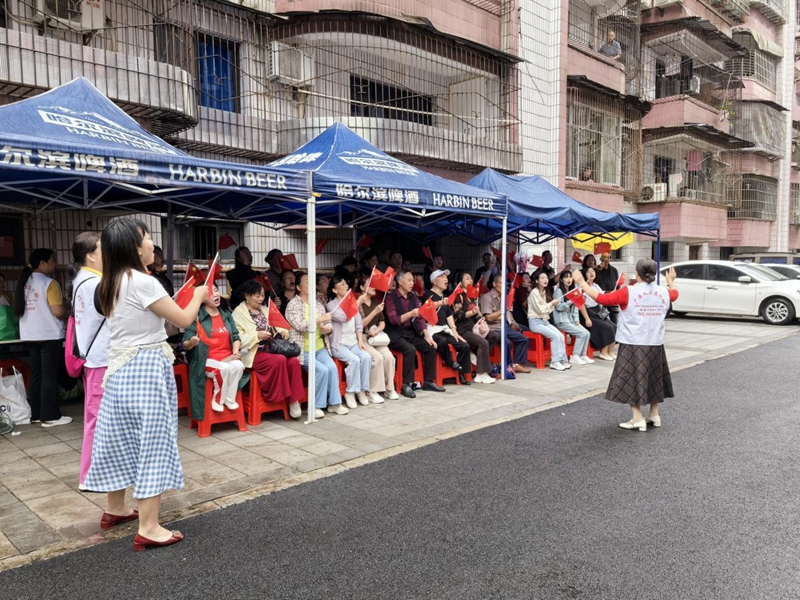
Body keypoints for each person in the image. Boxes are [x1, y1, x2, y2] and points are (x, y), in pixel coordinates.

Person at [84, 218, 208, 551]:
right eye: (148, 238)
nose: (153, 244)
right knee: (153, 443)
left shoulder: (108, 283)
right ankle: (149, 527)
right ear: (135, 248)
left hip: (118, 369)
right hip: (147, 369)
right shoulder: (144, 282)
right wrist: (199, 294)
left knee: (119, 439)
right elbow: (182, 319)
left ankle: (115, 508)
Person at [573, 260, 678, 431]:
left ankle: (637, 418)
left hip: (633, 342)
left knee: (631, 379)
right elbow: (675, 294)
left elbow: (602, 298)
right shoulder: (663, 292)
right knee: (654, 378)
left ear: (637, 273)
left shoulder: (628, 291)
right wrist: (671, 281)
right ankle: (654, 414)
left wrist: (581, 282)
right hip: (655, 343)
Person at [66, 233, 110, 486]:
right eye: (103, 250)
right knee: (97, 419)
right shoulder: (95, 283)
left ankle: (93, 475)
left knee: (95, 418)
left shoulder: (81, 280)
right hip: (101, 359)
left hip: (94, 358)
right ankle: (90, 476)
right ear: (90, 256)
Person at [232, 279, 305, 419]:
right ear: (247, 296)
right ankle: (280, 397)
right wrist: (257, 335)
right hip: (253, 351)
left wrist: (283, 331)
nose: (261, 299)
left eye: (262, 295)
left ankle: (294, 400)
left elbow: (281, 324)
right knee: (280, 359)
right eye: (257, 296)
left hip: (273, 348)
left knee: (293, 361)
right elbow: (238, 339)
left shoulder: (266, 309)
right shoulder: (238, 314)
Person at [14, 248, 69, 426]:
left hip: (30, 334)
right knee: (49, 374)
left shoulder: (24, 282)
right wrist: (68, 311)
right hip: (49, 334)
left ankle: (36, 413)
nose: (55, 264)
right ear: (43, 263)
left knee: (37, 372)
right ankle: (51, 416)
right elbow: (58, 311)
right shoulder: (49, 283)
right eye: (52, 261)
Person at [285, 272, 348, 417]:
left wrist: (327, 329)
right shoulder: (293, 305)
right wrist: (319, 320)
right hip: (303, 349)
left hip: (319, 347)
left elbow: (328, 323)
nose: (311, 284)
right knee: (322, 370)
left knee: (332, 368)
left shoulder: (317, 304)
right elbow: (300, 325)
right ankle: (316, 406)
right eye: (307, 282)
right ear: (299, 287)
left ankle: (335, 403)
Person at [182, 284, 245, 416]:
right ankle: (218, 399)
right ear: (202, 298)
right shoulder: (196, 317)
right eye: (210, 293)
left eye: (216, 290)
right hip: (206, 360)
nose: (215, 294)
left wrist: (235, 351)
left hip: (227, 357)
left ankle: (229, 398)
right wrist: (192, 342)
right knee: (224, 368)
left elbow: (235, 336)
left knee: (238, 366)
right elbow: (185, 344)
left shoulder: (226, 315)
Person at [384, 269, 445, 398]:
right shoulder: (391, 298)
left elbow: (420, 318)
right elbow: (394, 320)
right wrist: (410, 314)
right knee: (410, 350)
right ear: (400, 282)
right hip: (396, 333)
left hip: (411, 332)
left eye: (413, 280)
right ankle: (406, 384)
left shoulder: (413, 297)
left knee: (430, 347)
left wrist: (427, 336)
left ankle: (428, 381)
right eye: (409, 280)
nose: (412, 283)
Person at [326, 274, 374, 408]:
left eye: (345, 283)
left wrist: (360, 342)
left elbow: (359, 325)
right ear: (335, 290)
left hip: (353, 342)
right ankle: (350, 392)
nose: (346, 285)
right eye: (341, 284)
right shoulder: (331, 306)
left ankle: (362, 390)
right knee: (354, 360)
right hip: (339, 344)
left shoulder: (352, 301)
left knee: (366, 357)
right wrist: (356, 304)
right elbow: (343, 318)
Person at [421, 269, 471, 385]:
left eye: (446, 277)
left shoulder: (444, 296)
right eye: (442, 277)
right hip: (432, 330)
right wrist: (441, 302)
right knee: (442, 342)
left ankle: (461, 373)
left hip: (444, 329)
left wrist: (454, 332)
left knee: (464, 345)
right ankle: (450, 362)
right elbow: (427, 307)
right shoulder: (428, 294)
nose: (445, 279)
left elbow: (449, 315)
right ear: (434, 281)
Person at [355, 275, 399, 400]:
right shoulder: (357, 303)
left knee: (389, 357)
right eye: (370, 284)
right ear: (362, 287)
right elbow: (359, 325)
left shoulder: (376, 302)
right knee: (377, 358)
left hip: (376, 336)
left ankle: (389, 389)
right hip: (363, 337)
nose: (374, 287)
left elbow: (382, 322)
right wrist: (374, 311)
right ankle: (372, 391)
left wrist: (377, 331)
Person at [452, 272, 499, 384]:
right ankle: (481, 373)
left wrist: (481, 322)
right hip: (463, 329)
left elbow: (477, 314)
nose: (470, 280)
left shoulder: (472, 295)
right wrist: (471, 312)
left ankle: (478, 359)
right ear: (460, 282)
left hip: (474, 326)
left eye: (471, 278)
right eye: (467, 279)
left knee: (494, 336)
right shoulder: (458, 296)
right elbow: (459, 314)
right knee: (483, 343)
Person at [480, 274, 531, 374]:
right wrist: (501, 312)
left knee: (524, 339)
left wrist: (513, 322)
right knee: (507, 342)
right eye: (501, 283)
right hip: (493, 328)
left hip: (504, 326)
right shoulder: (487, 297)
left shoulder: (503, 297)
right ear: (494, 284)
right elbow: (489, 318)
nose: (504, 286)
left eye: (505, 284)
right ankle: (507, 366)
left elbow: (507, 313)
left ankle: (516, 364)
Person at [527, 271, 569, 371]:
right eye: (542, 278)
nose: (545, 280)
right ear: (537, 281)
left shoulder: (544, 292)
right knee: (555, 336)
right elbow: (540, 310)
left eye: (546, 278)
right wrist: (551, 304)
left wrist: (552, 305)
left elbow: (547, 310)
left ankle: (563, 360)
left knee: (560, 335)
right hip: (535, 322)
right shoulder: (534, 292)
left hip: (545, 321)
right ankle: (555, 362)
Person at [552, 268, 593, 366]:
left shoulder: (572, 291)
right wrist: (571, 301)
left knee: (587, 333)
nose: (569, 279)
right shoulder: (558, 291)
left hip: (570, 320)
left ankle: (583, 355)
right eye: (566, 278)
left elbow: (576, 308)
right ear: (561, 280)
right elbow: (559, 307)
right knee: (581, 334)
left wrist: (577, 319)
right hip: (561, 321)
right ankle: (575, 356)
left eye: (570, 277)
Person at [581, 266, 617, 361]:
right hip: (588, 313)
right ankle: (603, 352)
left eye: (593, 271)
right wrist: (587, 318)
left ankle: (610, 352)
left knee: (614, 326)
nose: (591, 273)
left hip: (598, 311)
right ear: (584, 275)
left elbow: (603, 296)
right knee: (607, 327)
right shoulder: (584, 288)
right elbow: (581, 305)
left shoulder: (596, 286)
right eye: (588, 272)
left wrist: (613, 293)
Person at [595, 252, 620, 325]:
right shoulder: (597, 269)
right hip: (602, 296)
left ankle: (614, 330)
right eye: (604, 257)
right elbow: (594, 281)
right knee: (602, 318)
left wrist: (616, 291)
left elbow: (617, 283)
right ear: (601, 259)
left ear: (610, 259)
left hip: (612, 296)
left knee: (614, 318)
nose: (606, 259)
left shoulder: (614, 270)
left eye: (608, 257)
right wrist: (598, 270)